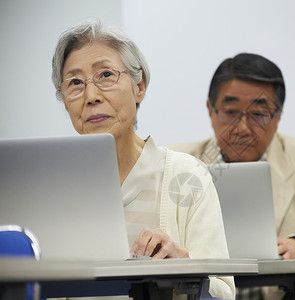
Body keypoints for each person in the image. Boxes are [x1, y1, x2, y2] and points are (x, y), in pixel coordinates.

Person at [51, 20, 234, 300]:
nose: (91, 96)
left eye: (106, 75)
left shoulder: (186, 176)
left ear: (140, 86)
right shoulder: (51, 188)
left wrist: (185, 269)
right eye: (75, 82)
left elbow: (224, 293)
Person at [169, 53, 295, 300]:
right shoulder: (178, 161)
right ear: (210, 111)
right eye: (230, 111)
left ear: (278, 118)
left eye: (258, 114)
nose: (242, 128)